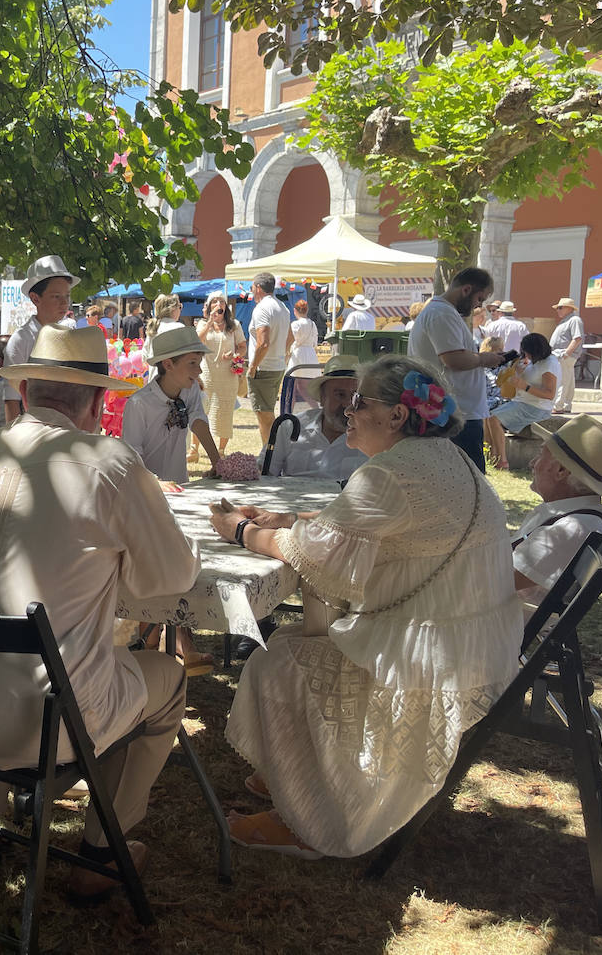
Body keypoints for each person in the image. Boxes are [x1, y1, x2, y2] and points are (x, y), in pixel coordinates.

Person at [0, 324, 199, 897]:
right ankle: (99, 852)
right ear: (96, 402)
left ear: (29, 392)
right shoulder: (106, 461)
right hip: (34, 725)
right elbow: (172, 578)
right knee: (166, 679)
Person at [209, 354, 519, 858]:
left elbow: (312, 553)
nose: (348, 411)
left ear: (397, 416)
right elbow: (367, 520)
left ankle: (306, 817)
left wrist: (242, 531)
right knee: (293, 645)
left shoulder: (392, 473)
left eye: (360, 401)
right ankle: (293, 775)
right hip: (465, 648)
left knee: (274, 662)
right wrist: (289, 515)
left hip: (423, 663)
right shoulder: (445, 457)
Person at [513, 415, 602, 606]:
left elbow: (498, 581)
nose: (533, 463)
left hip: (506, 622)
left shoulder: (570, 528)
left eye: (540, 454)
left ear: (561, 471)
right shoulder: (582, 516)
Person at [408, 266, 506, 472]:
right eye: (480, 298)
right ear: (466, 289)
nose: (478, 305)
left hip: (455, 410)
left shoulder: (442, 312)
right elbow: (453, 359)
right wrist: (484, 358)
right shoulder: (441, 313)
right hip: (453, 412)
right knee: (467, 479)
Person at [123, 324, 222, 484]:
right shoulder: (139, 404)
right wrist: (155, 484)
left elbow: (198, 420)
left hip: (180, 485)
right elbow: (132, 454)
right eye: (192, 363)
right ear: (168, 365)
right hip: (148, 491)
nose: (199, 370)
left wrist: (217, 462)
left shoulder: (190, 389)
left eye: (199, 363)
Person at [262, 355, 367, 481]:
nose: (347, 404)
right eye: (340, 395)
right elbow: (264, 471)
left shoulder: (372, 436)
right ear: (322, 397)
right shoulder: (291, 427)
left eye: (355, 397)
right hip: (294, 498)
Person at [3, 255, 79, 424]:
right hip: (33, 427)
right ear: (35, 298)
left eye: (67, 296)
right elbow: (11, 398)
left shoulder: (69, 334)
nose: (64, 303)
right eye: (56, 296)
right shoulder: (21, 339)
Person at [484, 332, 559, 470]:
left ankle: (502, 461)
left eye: (526, 351)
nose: (525, 354)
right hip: (521, 403)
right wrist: (517, 372)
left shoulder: (549, 364)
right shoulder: (535, 361)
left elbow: (550, 394)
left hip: (536, 408)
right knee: (487, 417)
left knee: (494, 419)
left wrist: (525, 386)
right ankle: (491, 455)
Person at [192, 292, 246, 461]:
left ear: (226, 306)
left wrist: (235, 354)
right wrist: (209, 323)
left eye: (221, 301)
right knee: (201, 409)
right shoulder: (202, 324)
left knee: (225, 411)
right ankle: (194, 449)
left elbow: (243, 346)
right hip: (207, 373)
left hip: (227, 375)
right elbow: (196, 343)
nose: (218, 304)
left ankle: (221, 450)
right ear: (208, 306)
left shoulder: (234, 325)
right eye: (214, 301)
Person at [246, 272, 291, 444]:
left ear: (258, 288)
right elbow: (291, 337)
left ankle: (271, 454)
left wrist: (253, 366)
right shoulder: (283, 307)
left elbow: (263, 343)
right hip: (277, 366)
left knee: (264, 415)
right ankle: (272, 452)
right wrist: (281, 353)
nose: (252, 292)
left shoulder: (262, 308)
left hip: (263, 368)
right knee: (267, 412)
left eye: (252, 288)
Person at [549, 296, 585, 413]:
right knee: (568, 380)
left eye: (560, 308)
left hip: (564, 354)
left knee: (562, 380)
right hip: (561, 354)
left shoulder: (574, 320)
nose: (557, 310)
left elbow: (577, 337)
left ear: (569, 308)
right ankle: (566, 405)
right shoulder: (566, 320)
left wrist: (566, 353)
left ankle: (558, 405)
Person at [286, 297, 318, 369]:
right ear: (307, 310)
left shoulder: (295, 324)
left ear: (295, 311)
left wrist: (287, 352)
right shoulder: (313, 324)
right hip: (311, 354)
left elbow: (290, 339)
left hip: (298, 353)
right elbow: (315, 342)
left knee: (295, 377)